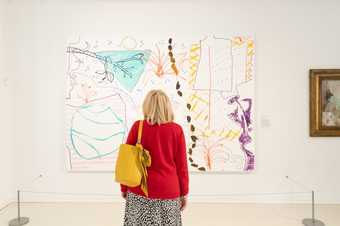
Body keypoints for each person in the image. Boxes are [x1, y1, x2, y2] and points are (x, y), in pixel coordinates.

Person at [121, 89, 189, 226]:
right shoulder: (176, 130)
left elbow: (126, 162)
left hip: (139, 190)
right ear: (167, 107)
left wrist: (124, 188)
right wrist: (184, 193)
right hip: (169, 191)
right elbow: (182, 167)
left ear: (147, 106)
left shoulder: (138, 127)